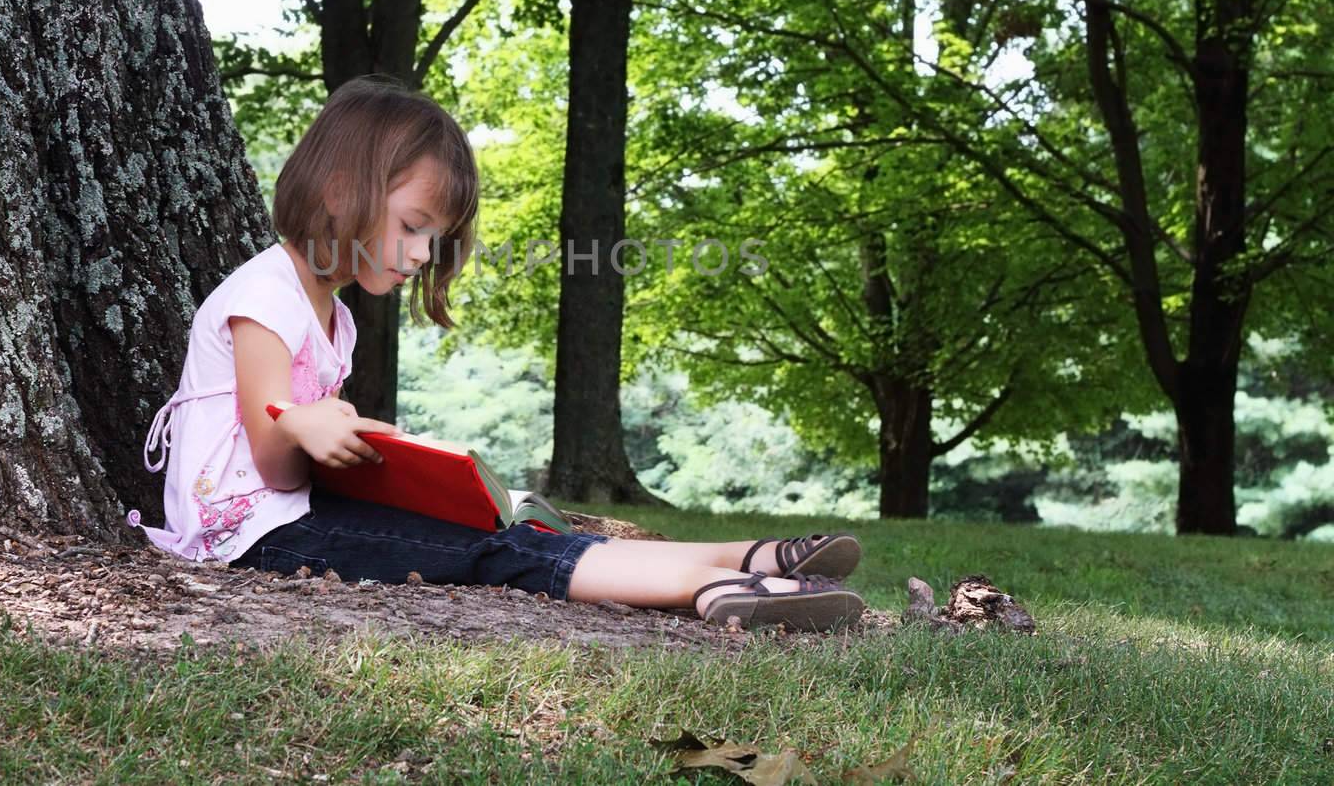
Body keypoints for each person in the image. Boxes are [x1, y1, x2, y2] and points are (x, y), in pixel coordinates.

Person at [129, 76, 866, 632]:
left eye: (434, 240)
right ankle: (712, 588)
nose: (422, 254)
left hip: (294, 517)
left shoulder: (333, 313)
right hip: (253, 543)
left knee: (511, 530)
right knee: (493, 556)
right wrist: (303, 425)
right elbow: (271, 464)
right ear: (341, 189)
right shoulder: (265, 294)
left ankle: (751, 556)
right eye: (414, 226)